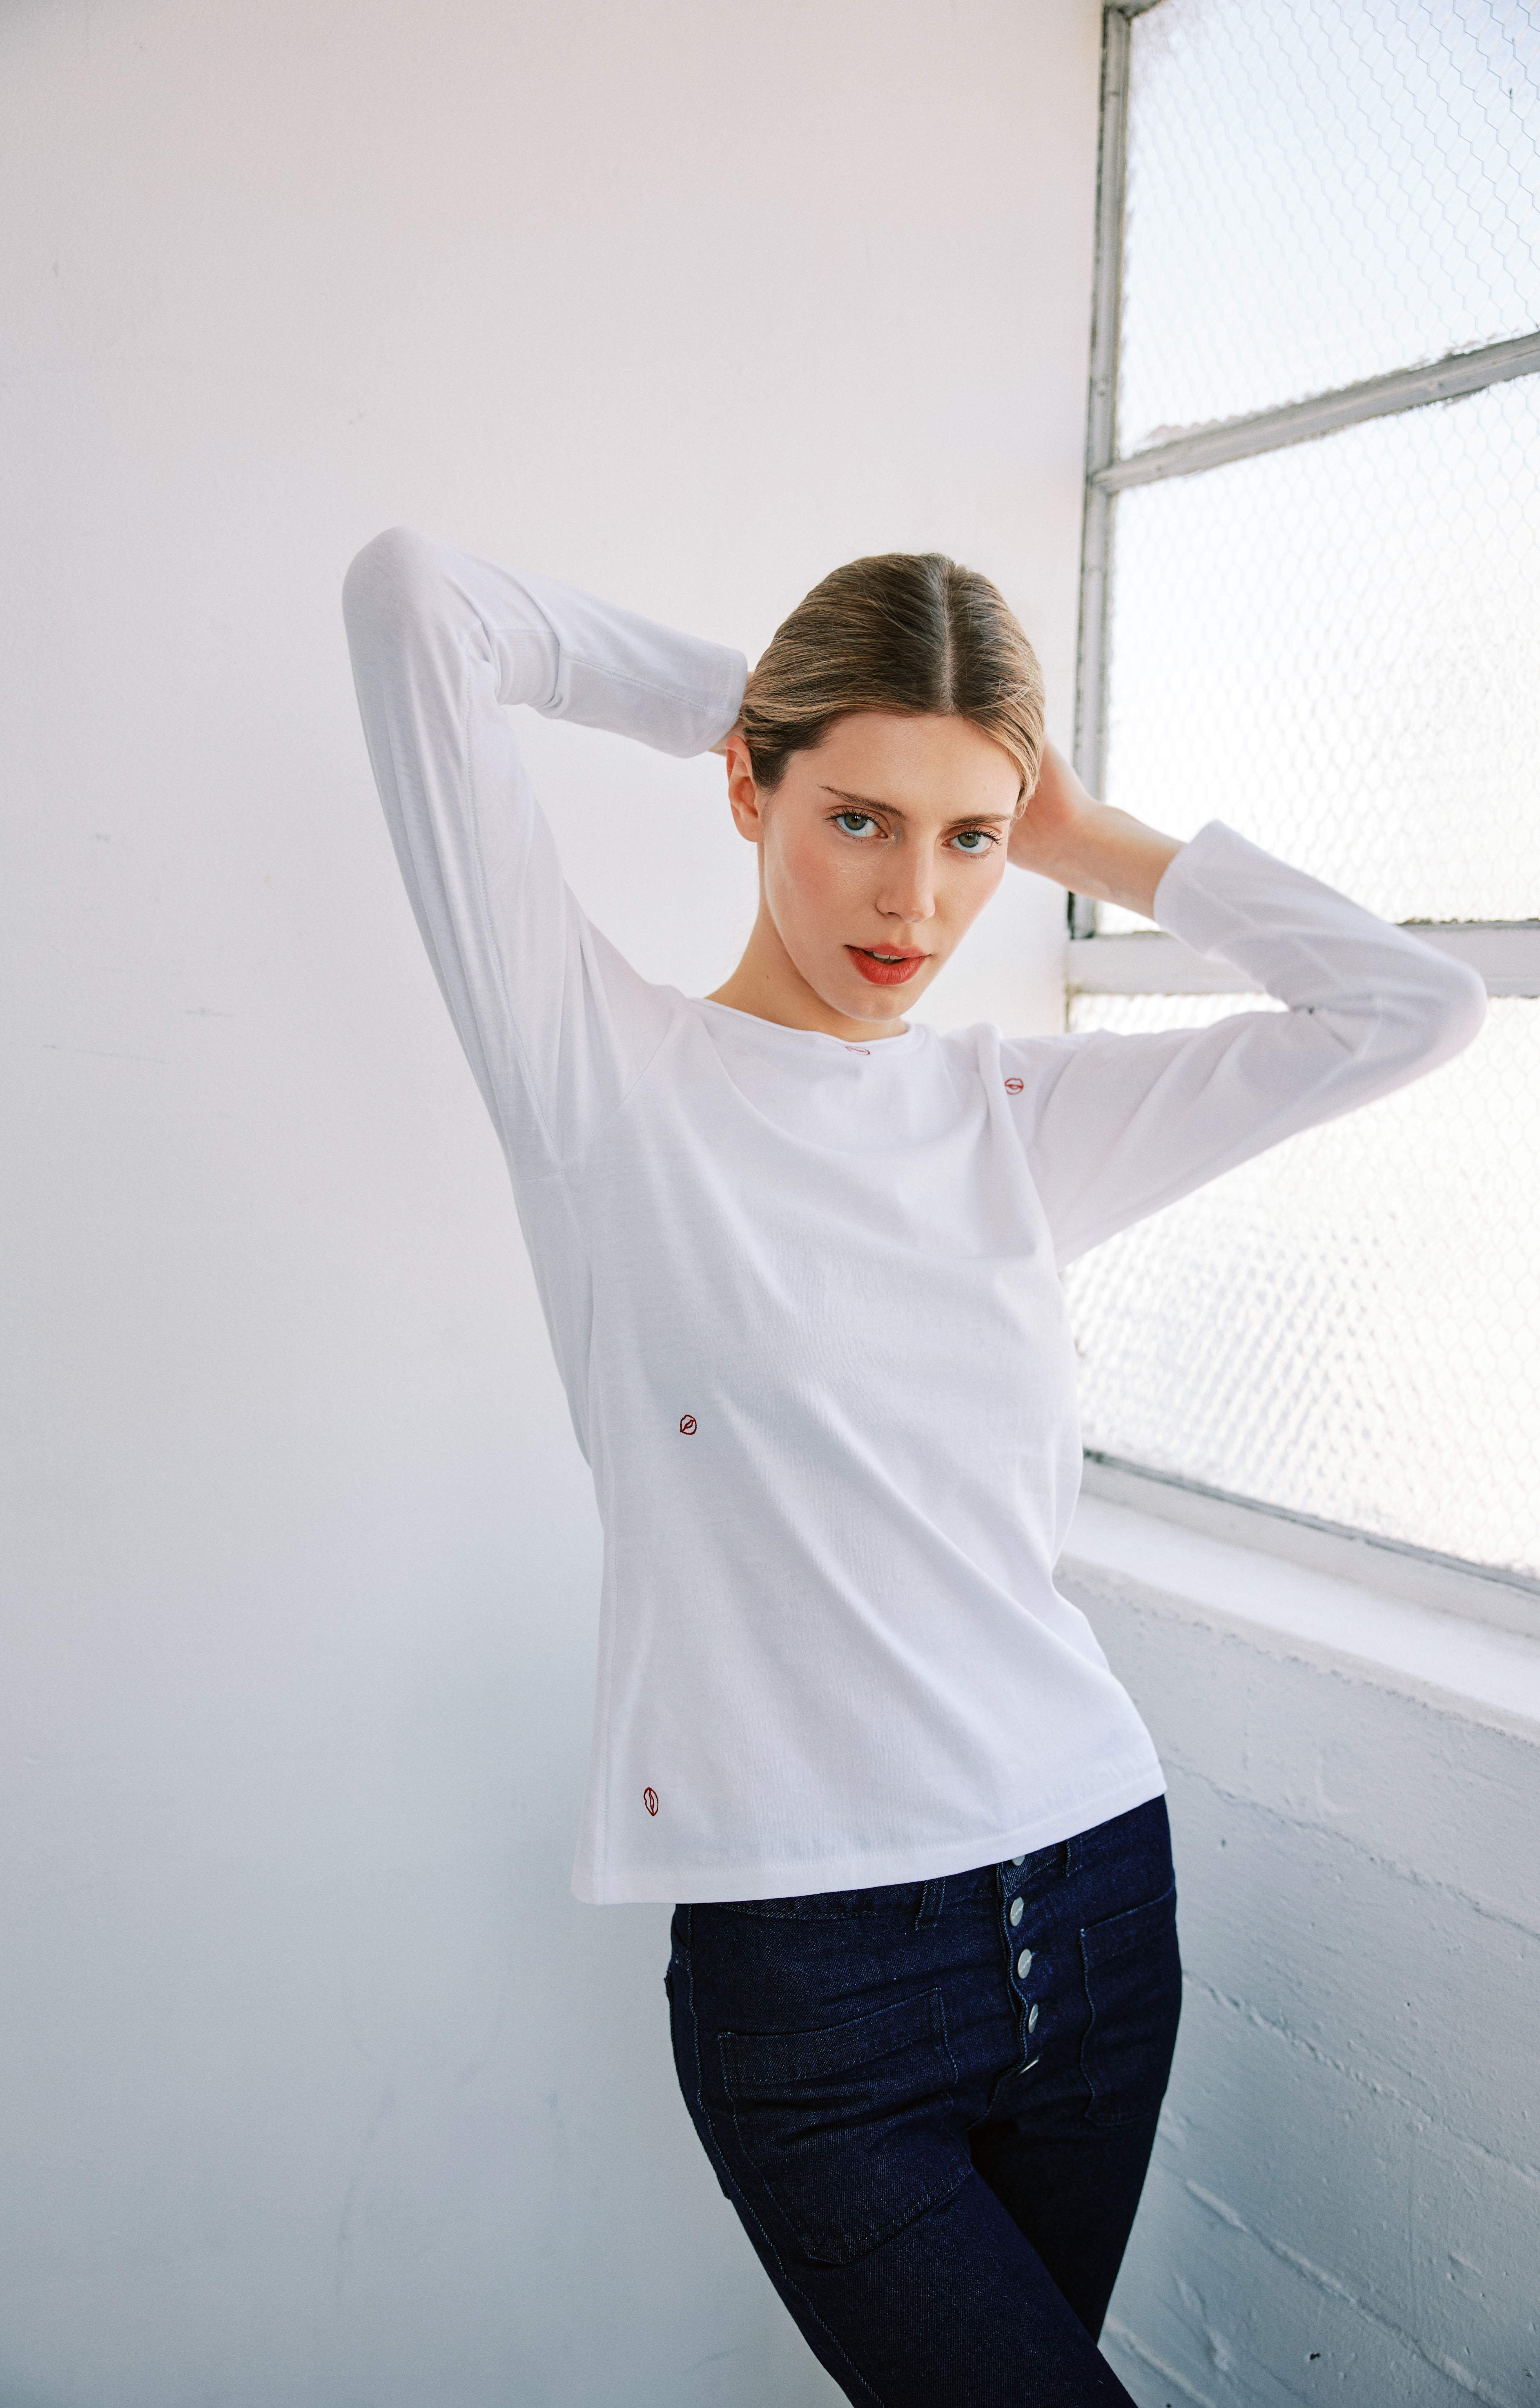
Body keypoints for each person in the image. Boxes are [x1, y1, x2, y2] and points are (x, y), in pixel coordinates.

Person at [341, 527, 1486, 2405]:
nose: (915, 899)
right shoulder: (601, 1080)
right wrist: (791, 692)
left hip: (1099, 1906)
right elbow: (415, 603)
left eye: (965, 841)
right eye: (856, 817)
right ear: (744, 787)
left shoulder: (1008, 1117)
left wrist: (1078, 828)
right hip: (817, 1985)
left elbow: (1406, 1012)